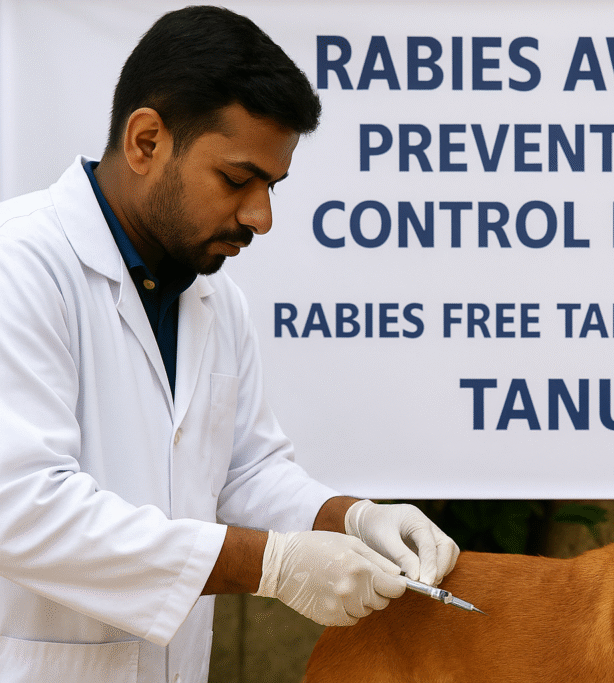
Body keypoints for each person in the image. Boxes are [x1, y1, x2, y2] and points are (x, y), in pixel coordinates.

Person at [0, 6, 459, 682]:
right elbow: (23, 507)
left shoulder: (212, 297)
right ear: (147, 141)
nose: (260, 217)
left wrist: (352, 519)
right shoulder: (21, 265)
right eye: (238, 180)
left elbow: (246, 472)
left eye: (271, 187)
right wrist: (270, 564)